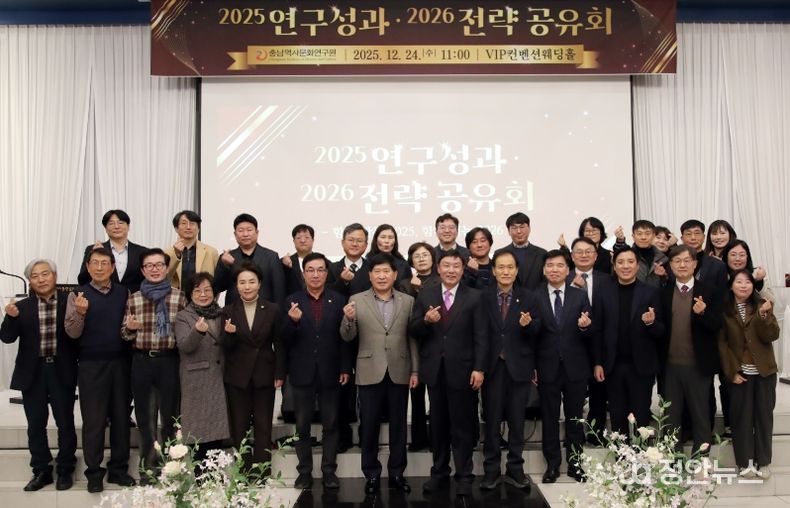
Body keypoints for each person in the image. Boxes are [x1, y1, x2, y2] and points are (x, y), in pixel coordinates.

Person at [409, 249, 487, 497]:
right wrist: (426, 321)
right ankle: (439, 472)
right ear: (438, 269)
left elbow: (481, 336)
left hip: (464, 370)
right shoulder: (426, 294)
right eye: (446, 266)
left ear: (463, 270)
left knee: (462, 426)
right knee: (438, 425)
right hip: (435, 370)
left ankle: (464, 476)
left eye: (456, 266)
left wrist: (479, 368)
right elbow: (413, 328)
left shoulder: (474, 297)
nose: (451, 270)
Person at [341, 253, 418, 495]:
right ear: (370, 275)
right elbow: (347, 336)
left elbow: (412, 339)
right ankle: (371, 474)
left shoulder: (408, 301)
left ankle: (397, 473)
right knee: (369, 425)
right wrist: (348, 320)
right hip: (369, 370)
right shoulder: (356, 299)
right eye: (377, 272)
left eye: (386, 272)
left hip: (399, 369)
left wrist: (415, 370)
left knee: (398, 426)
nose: (382, 276)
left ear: (395, 275)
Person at [1, 259, 78, 492]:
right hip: (32, 372)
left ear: (55, 276)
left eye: (45, 274)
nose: (41, 279)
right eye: (35, 276)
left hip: (61, 369)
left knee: (65, 422)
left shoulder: (70, 301)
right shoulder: (22, 306)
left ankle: (65, 468)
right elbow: (7, 338)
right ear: (29, 281)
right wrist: (10, 317)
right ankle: (41, 470)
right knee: (36, 424)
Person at [65, 247, 134, 493]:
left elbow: (127, 329)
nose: (100, 267)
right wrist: (80, 313)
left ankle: (119, 470)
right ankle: (94, 472)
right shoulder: (77, 294)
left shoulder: (124, 293)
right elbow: (72, 333)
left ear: (113, 267)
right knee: (93, 421)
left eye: (105, 263)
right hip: (90, 365)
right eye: (95, 263)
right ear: (87, 267)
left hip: (121, 364)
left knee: (121, 419)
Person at [280, 253, 351, 490]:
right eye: (310, 270)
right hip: (302, 372)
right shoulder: (292, 300)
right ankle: (304, 473)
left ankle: (329, 471)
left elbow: (344, 338)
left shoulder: (338, 300)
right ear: (303, 274)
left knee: (331, 424)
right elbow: (284, 339)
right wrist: (292, 322)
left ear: (327, 273)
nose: (315, 274)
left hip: (331, 370)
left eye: (320, 270)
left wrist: (345, 366)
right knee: (302, 427)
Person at [122, 248, 187, 480]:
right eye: (149, 266)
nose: (155, 269)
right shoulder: (134, 298)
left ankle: (172, 470)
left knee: (171, 418)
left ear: (167, 268)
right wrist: (130, 329)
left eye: (159, 265)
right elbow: (124, 334)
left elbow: (185, 334)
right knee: (146, 420)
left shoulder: (179, 297)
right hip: (142, 362)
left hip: (169, 361)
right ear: (142, 271)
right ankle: (148, 471)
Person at [479, 250, 539, 491]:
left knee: (516, 421)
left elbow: (539, 330)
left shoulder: (529, 297)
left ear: (516, 271)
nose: (505, 271)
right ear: (493, 271)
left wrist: (529, 325)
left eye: (510, 267)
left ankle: (516, 468)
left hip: (519, 367)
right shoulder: (482, 297)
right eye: (501, 267)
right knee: (492, 421)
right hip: (492, 367)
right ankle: (491, 470)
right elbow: (479, 333)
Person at [534, 249, 592, 484]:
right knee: (549, 417)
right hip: (546, 366)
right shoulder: (534, 296)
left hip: (575, 366)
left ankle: (576, 464)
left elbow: (589, 331)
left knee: (575, 418)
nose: (554, 269)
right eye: (550, 265)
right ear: (544, 270)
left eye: (559, 265)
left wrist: (585, 326)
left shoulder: (579, 296)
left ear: (568, 270)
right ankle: (552, 465)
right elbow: (531, 336)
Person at [659, 245, 722, 455]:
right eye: (677, 261)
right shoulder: (663, 292)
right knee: (671, 416)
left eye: (687, 260)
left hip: (698, 365)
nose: (682, 265)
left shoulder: (709, 291)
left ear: (695, 264)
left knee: (700, 413)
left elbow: (718, 325)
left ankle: (701, 458)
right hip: (670, 366)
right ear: (670, 265)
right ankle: (673, 458)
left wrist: (703, 313)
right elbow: (660, 329)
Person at [717, 270, 780, 479]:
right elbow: (722, 345)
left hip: (764, 372)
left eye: (748, 282)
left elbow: (771, 335)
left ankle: (764, 462)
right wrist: (731, 372)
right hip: (740, 374)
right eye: (739, 281)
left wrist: (764, 315)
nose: (743, 285)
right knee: (741, 419)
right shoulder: (725, 310)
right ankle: (744, 463)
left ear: (753, 286)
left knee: (763, 418)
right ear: (731, 286)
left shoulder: (762, 305)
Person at [222, 262, 286, 467]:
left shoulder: (273, 309)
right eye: (242, 282)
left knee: (263, 425)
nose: (247, 286)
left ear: (259, 284)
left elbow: (279, 343)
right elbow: (224, 348)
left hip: (264, 373)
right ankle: (241, 471)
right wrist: (229, 335)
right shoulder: (228, 311)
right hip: (237, 376)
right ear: (236, 285)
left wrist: (280, 373)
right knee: (238, 426)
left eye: (251, 282)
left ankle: (261, 472)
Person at [598, 247, 665, 433]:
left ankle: (639, 452)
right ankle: (620, 451)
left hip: (641, 366)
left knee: (640, 417)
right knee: (617, 417)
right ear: (614, 266)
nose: (625, 266)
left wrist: (651, 323)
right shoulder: (604, 292)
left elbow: (661, 331)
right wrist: (598, 362)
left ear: (637, 266)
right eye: (620, 262)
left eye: (630, 262)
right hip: (613, 365)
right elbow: (598, 330)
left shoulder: (651, 292)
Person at [174, 272, 230, 463]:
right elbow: (184, 346)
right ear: (190, 294)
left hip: (220, 378)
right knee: (199, 433)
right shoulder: (183, 316)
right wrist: (197, 331)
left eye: (207, 290)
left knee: (217, 432)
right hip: (196, 381)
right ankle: (201, 476)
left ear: (215, 293)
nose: (203, 294)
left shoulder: (223, 314)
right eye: (197, 291)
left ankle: (214, 476)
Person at [326, 223, 372, 451]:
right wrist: (342, 281)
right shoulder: (331, 268)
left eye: (359, 240)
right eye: (351, 239)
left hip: (369, 336)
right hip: (338, 336)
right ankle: (343, 437)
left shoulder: (373, 269)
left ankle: (366, 436)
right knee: (341, 388)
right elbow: (326, 298)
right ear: (342, 242)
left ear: (366, 244)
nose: (355, 244)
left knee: (367, 390)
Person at [567, 237, 616, 442]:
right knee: (574, 394)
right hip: (573, 343)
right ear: (572, 256)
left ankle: (596, 432)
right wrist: (573, 287)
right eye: (579, 252)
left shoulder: (608, 280)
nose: (584, 255)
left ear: (596, 256)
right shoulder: (563, 277)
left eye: (589, 251)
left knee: (599, 390)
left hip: (600, 342)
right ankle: (574, 434)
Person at [398, 242, 439, 452]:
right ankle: (419, 438)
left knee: (437, 395)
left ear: (433, 258)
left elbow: (435, 305)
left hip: (436, 340)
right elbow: (408, 312)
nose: (421, 259)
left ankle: (438, 439)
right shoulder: (404, 284)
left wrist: (419, 290)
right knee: (415, 394)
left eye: (425, 255)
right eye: (417, 256)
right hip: (413, 341)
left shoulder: (442, 280)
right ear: (411, 261)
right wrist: (414, 289)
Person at [214, 213, 285, 306]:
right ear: (235, 234)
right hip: (234, 310)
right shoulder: (227, 257)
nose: (245, 234)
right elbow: (218, 287)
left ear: (257, 232)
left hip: (265, 311)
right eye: (241, 230)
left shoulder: (271, 257)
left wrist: (278, 312)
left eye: (249, 230)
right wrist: (224, 265)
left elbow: (279, 290)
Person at [77, 209, 147, 293]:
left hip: (134, 298)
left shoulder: (143, 252)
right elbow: (82, 280)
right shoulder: (93, 249)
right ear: (106, 229)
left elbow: (147, 279)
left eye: (120, 223)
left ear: (128, 227)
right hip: (102, 297)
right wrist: (93, 256)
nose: (116, 226)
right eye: (111, 223)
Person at [164, 210, 219, 290]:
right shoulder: (167, 252)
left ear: (198, 228)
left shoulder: (211, 252)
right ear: (176, 228)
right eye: (184, 223)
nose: (188, 227)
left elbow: (217, 281)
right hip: (176, 296)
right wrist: (176, 255)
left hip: (202, 296)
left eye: (192, 223)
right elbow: (165, 277)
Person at [493, 212, 547, 290]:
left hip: (536, 297)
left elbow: (545, 281)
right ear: (508, 231)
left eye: (522, 227)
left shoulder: (542, 253)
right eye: (514, 228)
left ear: (529, 229)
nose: (519, 231)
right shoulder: (499, 253)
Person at [613, 220, 668, 288]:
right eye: (639, 234)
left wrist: (663, 276)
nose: (643, 237)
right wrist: (620, 241)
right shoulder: (627, 256)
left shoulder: (663, 258)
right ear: (633, 236)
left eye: (647, 234)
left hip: (655, 294)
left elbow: (669, 285)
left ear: (653, 236)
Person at [678, 219, 728, 293]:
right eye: (688, 234)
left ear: (704, 237)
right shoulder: (674, 263)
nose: (693, 238)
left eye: (697, 233)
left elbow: (722, 294)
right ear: (682, 238)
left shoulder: (717, 265)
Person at [281, 224, 315, 296]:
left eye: (306, 237)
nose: (302, 240)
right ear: (294, 241)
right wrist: (284, 266)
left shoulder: (323, 262)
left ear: (313, 240)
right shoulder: (284, 262)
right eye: (298, 238)